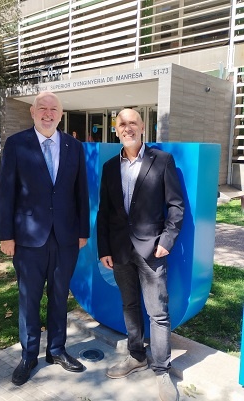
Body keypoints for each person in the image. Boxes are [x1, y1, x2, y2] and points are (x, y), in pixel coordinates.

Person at [0, 91, 90, 386]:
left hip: (65, 238)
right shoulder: (16, 144)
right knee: (29, 299)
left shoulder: (74, 146)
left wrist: (83, 232)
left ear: (61, 115)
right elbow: (6, 193)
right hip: (27, 239)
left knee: (60, 296)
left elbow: (81, 193)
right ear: (33, 113)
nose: (48, 113)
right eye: (42, 108)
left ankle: (57, 349)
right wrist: (6, 236)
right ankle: (28, 356)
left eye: (53, 109)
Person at [97, 109, 184, 401]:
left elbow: (175, 205)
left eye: (132, 122)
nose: (127, 127)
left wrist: (167, 240)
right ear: (116, 129)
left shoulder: (162, 160)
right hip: (120, 250)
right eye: (122, 123)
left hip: (152, 250)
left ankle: (162, 370)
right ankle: (137, 356)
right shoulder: (110, 166)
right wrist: (104, 249)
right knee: (129, 305)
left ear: (143, 127)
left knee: (157, 313)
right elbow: (105, 212)